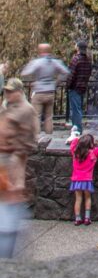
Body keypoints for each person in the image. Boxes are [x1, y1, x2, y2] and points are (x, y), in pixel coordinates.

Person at [0, 78, 39, 258]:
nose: (7, 94)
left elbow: (31, 138)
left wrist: (16, 150)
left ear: (19, 91)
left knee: (12, 198)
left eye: (10, 91)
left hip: (14, 158)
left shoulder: (27, 110)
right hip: (5, 160)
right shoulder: (7, 106)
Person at [21, 43, 69, 137]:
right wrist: (56, 83)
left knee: (36, 116)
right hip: (50, 91)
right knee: (49, 117)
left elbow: (25, 73)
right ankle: (49, 137)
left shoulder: (37, 62)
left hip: (39, 91)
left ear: (40, 51)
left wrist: (35, 79)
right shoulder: (55, 62)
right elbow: (66, 72)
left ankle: (36, 138)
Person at [69, 131, 98, 225]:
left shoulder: (75, 152)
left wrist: (76, 137)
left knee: (78, 199)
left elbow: (72, 144)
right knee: (87, 198)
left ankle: (77, 219)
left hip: (76, 180)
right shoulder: (93, 153)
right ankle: (87, 218)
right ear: (91, 144)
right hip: (87, 180)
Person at [65, 41, 92, 134]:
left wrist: (67, 86)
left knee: (76, 110)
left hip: (75, 88)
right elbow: (88, 74)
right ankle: (76, 129)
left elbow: (71, 75)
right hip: (83, 87)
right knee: (78, 108)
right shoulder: (88, 60)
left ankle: (77, 130)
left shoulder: (76, 59)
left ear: (78, 48)